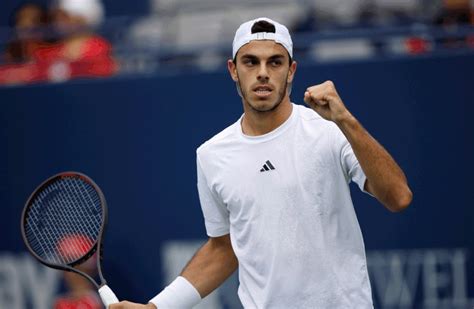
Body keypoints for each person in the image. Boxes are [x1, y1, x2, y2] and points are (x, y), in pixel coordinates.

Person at [111, 17, 412, 309]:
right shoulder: (211, 155)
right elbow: (223, 248)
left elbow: (398, 197)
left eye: (275, 62)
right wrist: (156, 307)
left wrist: (346, 120)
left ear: (291, 70)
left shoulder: (330, 129)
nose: (263, 73)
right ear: (233, 70)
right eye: (251, 62)